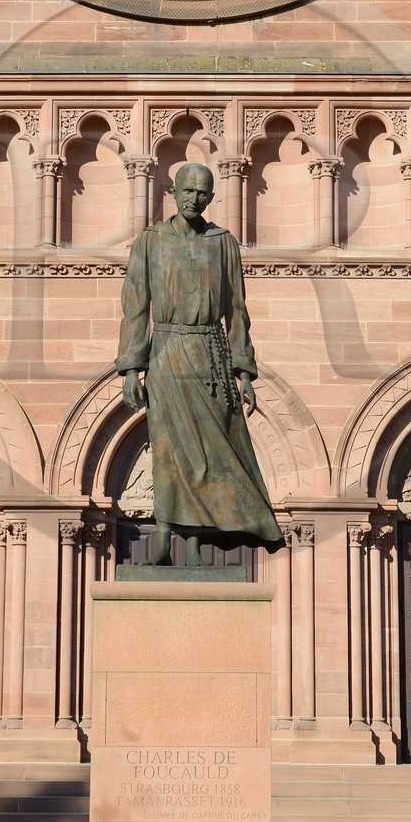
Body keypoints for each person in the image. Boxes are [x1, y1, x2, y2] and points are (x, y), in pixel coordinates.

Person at [116, 161, 284, 565]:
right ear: (173, 193)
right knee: (169, 451)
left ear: (211, 197)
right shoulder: (151, 240)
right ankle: (162, 543)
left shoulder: (222, 242)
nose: (194, 198)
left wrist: (243, 370)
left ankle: (194, 546)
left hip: (211, 356)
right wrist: (131, 369)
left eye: (202, 192)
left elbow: (237, 310)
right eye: (187, 191)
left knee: (209, 455)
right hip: (167, 355)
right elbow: (135, 306)